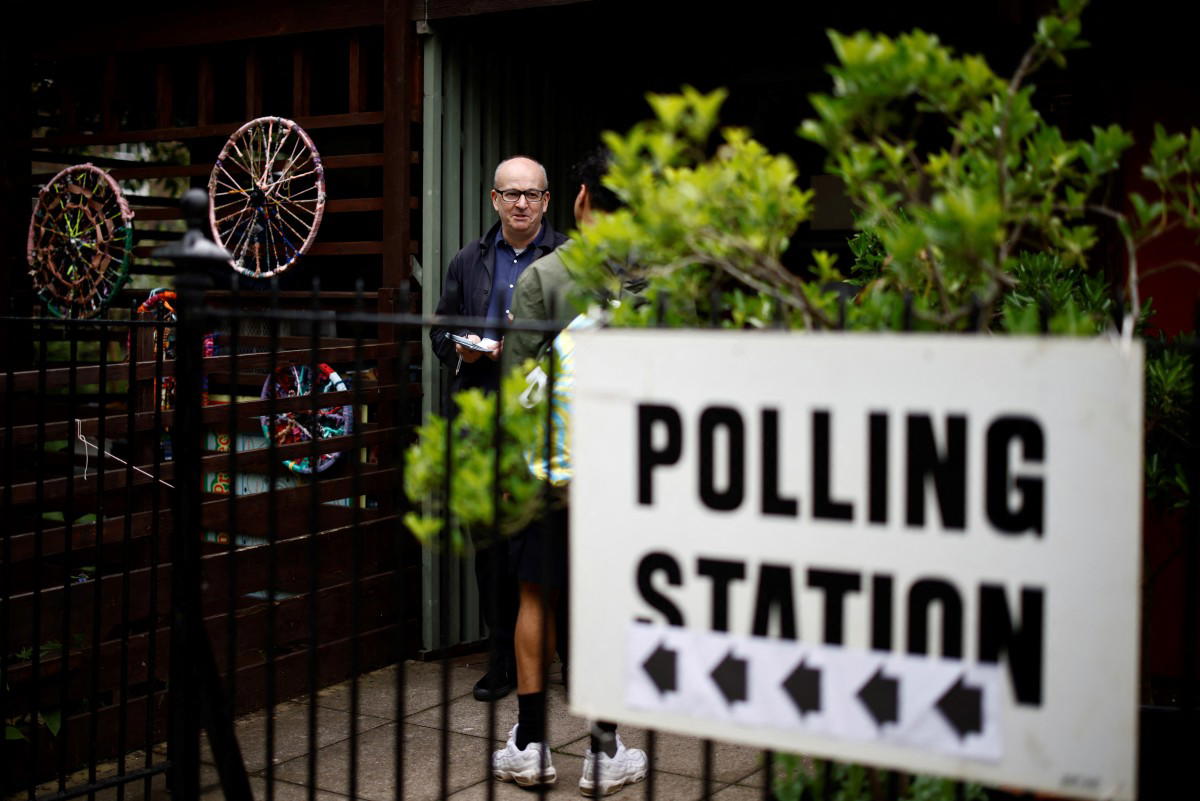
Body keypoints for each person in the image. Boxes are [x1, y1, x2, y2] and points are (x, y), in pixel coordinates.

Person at [492, 149, 648, 796]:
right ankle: (603, 751)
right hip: (615, 474)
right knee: (604, 603)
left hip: (545, 470)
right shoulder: (646, 281)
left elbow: (518, 385)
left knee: (536, 595)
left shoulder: (543, 279)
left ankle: (531, 743)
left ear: (578, 200)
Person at [430, 156, 568, 702]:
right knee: (488, 544)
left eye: (532, 195)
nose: (521, 204)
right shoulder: (471, 259)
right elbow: (440, 329)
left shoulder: (567, 258)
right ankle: (500, 658)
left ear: (547, 201)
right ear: (494, 199)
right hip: (482, 415)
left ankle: (567, 660)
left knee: (548, 540)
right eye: (511, 194)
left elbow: (587, 331)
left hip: (546, 417)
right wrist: (462, 349)